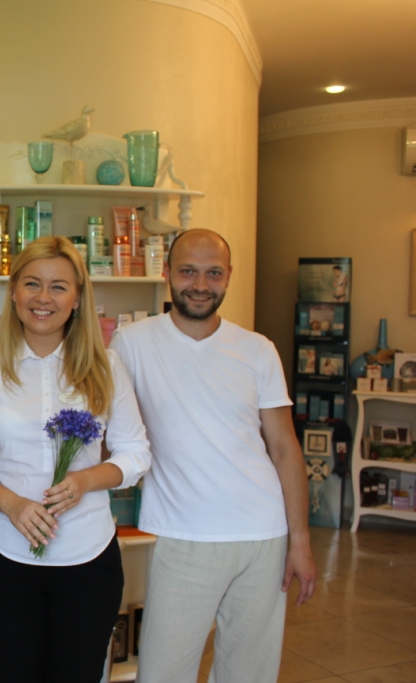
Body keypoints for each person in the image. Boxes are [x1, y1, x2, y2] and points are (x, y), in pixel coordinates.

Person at [109, 228, 317, 683]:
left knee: (249, 673)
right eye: (188, 271)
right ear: (167, 272)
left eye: (213, 273)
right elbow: (113, 432)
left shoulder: (257, 350)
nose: (200, 285)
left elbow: (284, 448)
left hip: (263, 535)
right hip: (183, 536)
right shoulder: (131, 343)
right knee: (163, 673)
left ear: (228, 276)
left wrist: (299, 540)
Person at [0, 236, 151, 683]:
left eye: (58, 286)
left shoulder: (105, 366)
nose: (43, 297)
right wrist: (12, 505)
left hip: (89, 557)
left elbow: (136, 452)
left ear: (78, 298)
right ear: (14, 292)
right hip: (7, 557)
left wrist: (84, 481)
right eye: (32, 283)